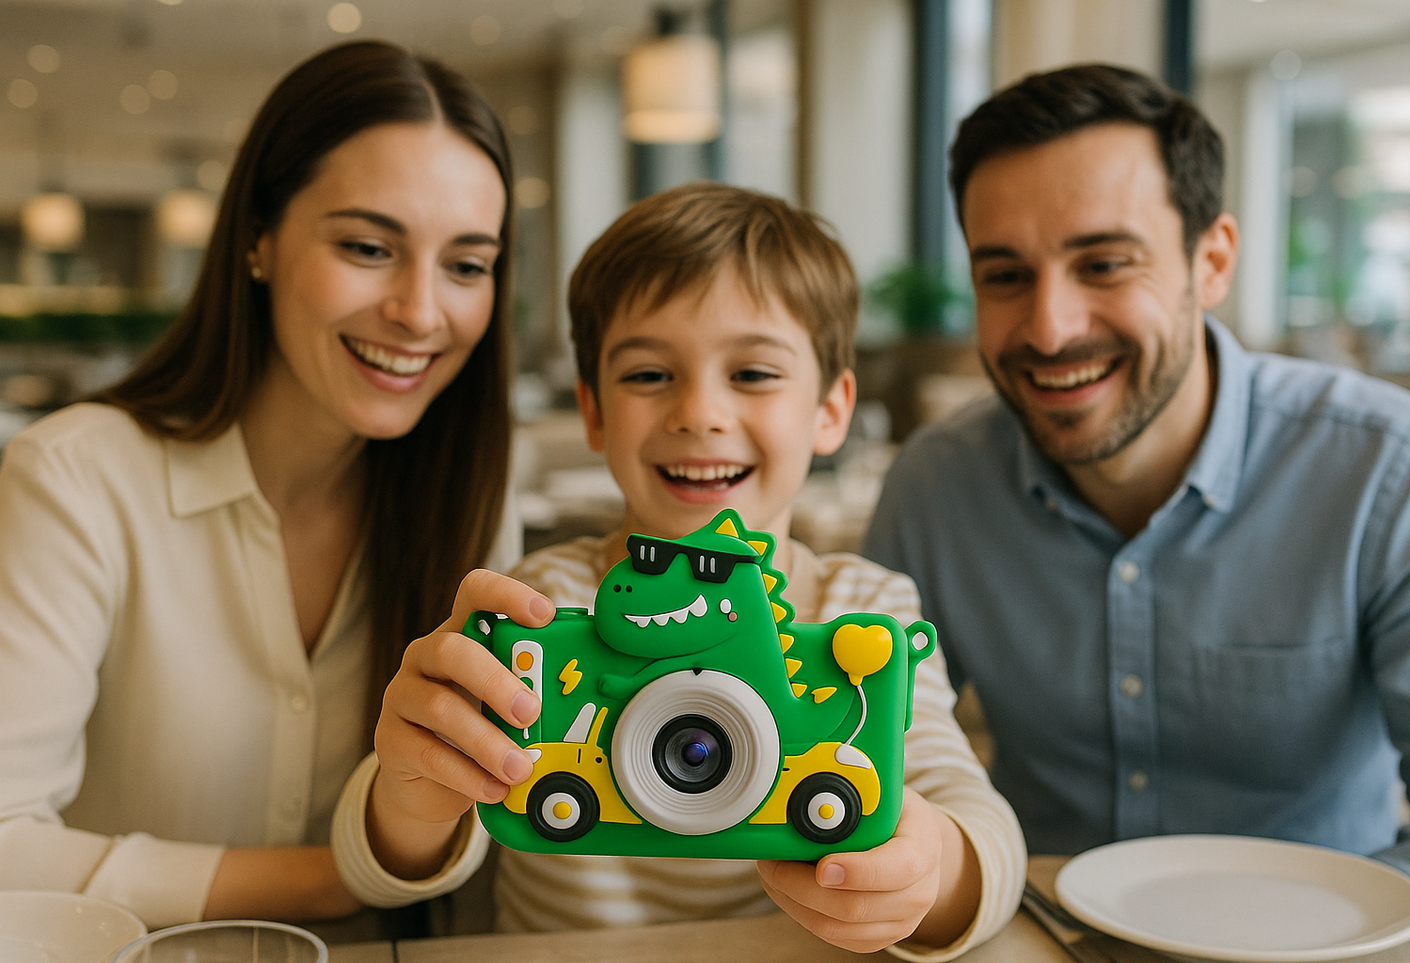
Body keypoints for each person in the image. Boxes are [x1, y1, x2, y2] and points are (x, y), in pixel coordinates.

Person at [329, 182, 1027, 958]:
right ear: (592, 411)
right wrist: (417, 793)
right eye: (649, 375)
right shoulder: (543, 603)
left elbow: (977, 821)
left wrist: (931, 872)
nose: (698, 412)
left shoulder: (863, 611)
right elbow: (393, 867)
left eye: (754, 374)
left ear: (831, 410)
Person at [863, 62, 1410, 895]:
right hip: (1032, 937)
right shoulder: (933, 487)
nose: (1050, 327)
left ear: (1211, 262)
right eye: (1004, 275)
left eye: (1102, 264)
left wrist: (1341, 935)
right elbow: (879, 763)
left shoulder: (1396, 471)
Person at [0, 40, 539, 937]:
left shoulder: (470, 493)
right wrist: (332, 881)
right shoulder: (75, 480)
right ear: (257, 237)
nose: (419, 311)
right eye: (369, 246)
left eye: (467, 264)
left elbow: (477, 813)